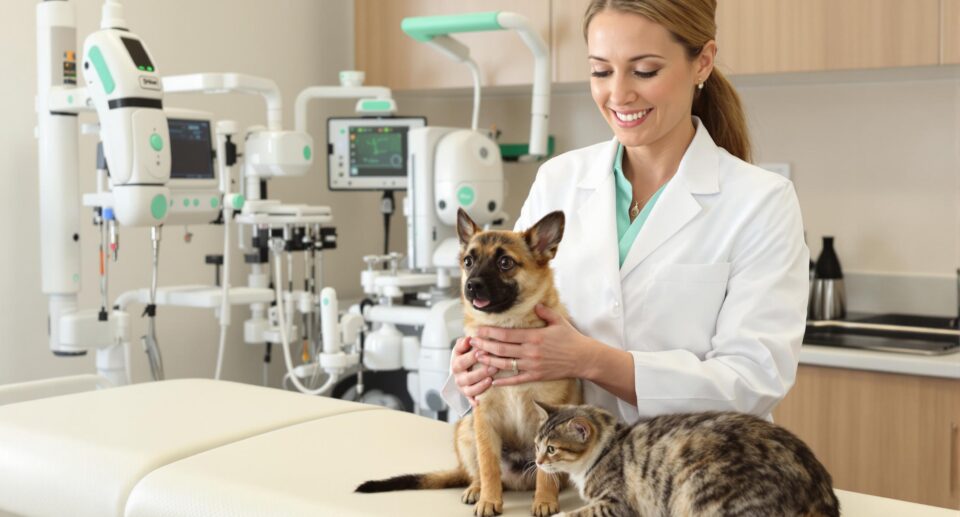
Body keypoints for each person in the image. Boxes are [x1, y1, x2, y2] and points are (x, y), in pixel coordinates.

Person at [442, 0, 809, 423]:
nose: (618, 94)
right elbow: (515, 314)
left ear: (702, 63)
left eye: (645, 71)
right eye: (600, 71)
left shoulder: (761, 201)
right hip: (566, 475)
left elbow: (753, 381)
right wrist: (472, 369)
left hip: (691, 472)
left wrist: (591, 360)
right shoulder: (559, 179)